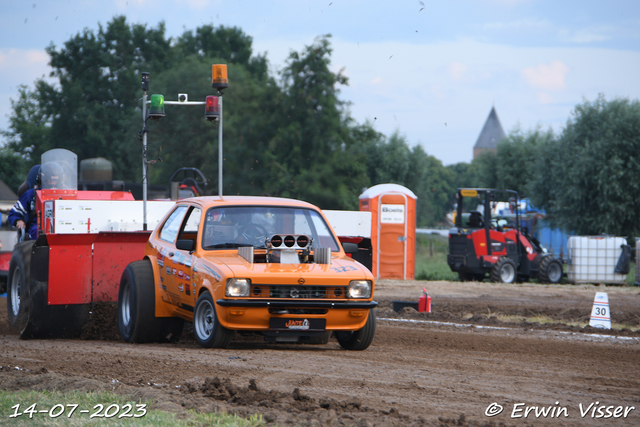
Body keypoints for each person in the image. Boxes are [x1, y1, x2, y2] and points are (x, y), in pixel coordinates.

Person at [8, 162, 63, 241]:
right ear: (41, 179)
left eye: (55, 181)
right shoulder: (31, 194)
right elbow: (13, 213)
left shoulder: (67, 195)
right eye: (49, 180)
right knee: (38, 231)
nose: (52, 184)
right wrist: (18, 220)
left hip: (62, 226)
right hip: (38, 227)